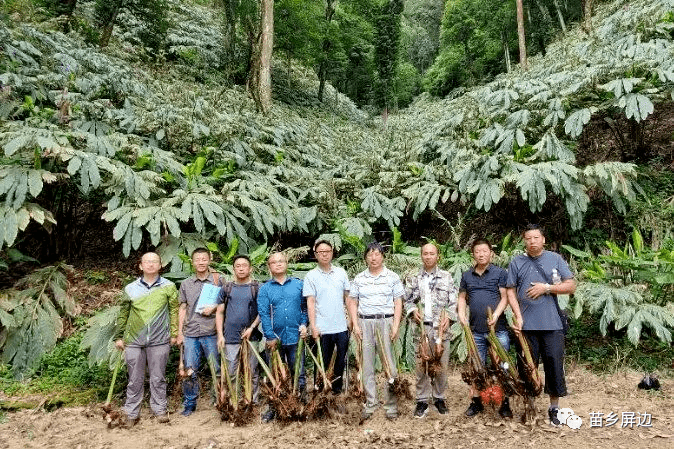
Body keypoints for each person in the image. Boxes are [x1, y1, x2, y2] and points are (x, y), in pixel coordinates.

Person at [506, 224, 576, 426]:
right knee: (527, 366)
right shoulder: (517, 262)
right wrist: (517, 316)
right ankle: (529, 405)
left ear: (543, 239)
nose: (532, 241)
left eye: (536, 237)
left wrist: (546, 288)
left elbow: (571, 285)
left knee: (554, 365)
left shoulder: (555, 259)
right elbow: (510, 290)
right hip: (526, 326)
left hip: (552, 324)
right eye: (528, 238)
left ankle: (554, 408)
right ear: (524, 241)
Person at [458, 238, 523, 418]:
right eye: (477, 251)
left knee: (502, 366)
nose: (481, 254)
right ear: (473, 254)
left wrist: (495, 315)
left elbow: (505, 297)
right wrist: (462, 315)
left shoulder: (500, 273)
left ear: (490, 253)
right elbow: (462, 298)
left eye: (484, 251)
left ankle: (504, 404)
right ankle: (476, 402)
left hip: (498, 329)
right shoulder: (466, 275)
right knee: (477, 367)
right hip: (476, 331)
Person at [115, 252, 179, 426]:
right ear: (140, 266)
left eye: (154, 262)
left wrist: (174, 333)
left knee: (158, 377)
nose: (151, 265)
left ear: (160, 265)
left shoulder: (169, 286)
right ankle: (131, 413)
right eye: (147, 262)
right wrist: (119, 336)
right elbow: (123, 314)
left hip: (159, 340)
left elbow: (174, 311)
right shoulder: (130, 288)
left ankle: (159, 410)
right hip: (134, 341)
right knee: (134, 379)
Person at [347, 242, 404, 421]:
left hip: (385, 321)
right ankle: (371, 403)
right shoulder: (359, 278)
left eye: (377, 254)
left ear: (383, 256)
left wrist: (395, 325)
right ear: (365, 258)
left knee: (389, 364)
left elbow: (398, 302)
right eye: (370, 254)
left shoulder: (392, 277)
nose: (373, 258)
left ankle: (391, 405)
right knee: (367, 365)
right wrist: (355, 324)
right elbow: (353, 302)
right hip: (365, 322)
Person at [404, 243, 457, 418]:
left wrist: (448, 317)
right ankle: (422, 400)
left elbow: (454, 301)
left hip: (441, 329)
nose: (428, 256)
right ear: (421, 256)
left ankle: (439, 398)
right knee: (421, 366)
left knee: (441, 365)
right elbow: (406, 299)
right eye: (425, 253)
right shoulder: (413, 277)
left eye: (431, 253)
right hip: (421, 328)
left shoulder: (446, 277)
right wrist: (412, 310)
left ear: (437, 256)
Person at [257, 251, 308, 422]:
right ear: (269, 266)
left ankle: (299, 405)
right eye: (274, 262)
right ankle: (274, 407)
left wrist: (304, 324)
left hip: (295, 337)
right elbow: (263, 314)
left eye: (281, 261)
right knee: (275, 374)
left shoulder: (298, 285)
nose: (278, 264)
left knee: (298, 373)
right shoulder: (265, 289)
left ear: (286, 263)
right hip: (275, 340)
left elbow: (305, 307)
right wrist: (270, 336)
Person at [176, 247, 223, 417]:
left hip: (211, 332)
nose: (201, 262)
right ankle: (190, 403)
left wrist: (214, 307)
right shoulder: (186, 284)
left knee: (216, 369)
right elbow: (182, 308)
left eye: (204, 259)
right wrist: (180, 332)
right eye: (197, 259)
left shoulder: (218, 280)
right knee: (190, 370)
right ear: (192, 262)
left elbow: (227, 303)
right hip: (191, 333)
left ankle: (219, 399)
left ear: (209, 259)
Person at [303, 239, 350, 395]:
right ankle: (320, 391)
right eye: (321, 252)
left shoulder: (341, 273)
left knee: (340, 361)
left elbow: (347, 298)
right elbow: (310, 302)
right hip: (322, 328)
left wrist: (350, 318)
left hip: (341, 327)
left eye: (327, 251)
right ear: (316, 255)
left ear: (332, 253)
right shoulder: (311, 276)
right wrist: (313, 326)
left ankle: (336, 391)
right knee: (321, 361)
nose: (324, 254)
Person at [215, 254, 261, 403]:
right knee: (231, 371)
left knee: (252, 371)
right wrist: (220, 335)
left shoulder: (256, 287)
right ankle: (232, 401)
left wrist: (252, 328)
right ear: (234, 269)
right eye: (238, 266)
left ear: (250, 268)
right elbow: (220, 312)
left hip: (251, 336)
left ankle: (252, 401)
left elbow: (262, 312)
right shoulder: (226, 288)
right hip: (230, 337)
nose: (241, 269)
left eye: (244, 266)